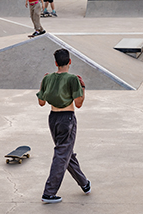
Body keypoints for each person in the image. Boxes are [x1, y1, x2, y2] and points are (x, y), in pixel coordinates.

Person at [37, 48, 91, 204]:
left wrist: (43, 84)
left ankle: (84, 183)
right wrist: (83, 88)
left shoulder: (47, 78)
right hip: (67, 119)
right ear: (70, 62)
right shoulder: (73, 79)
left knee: (66, 152)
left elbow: (41, 102)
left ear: (55, 63)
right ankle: (49, 192)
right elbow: (79, 104)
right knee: (62, 154)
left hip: (52, 119)